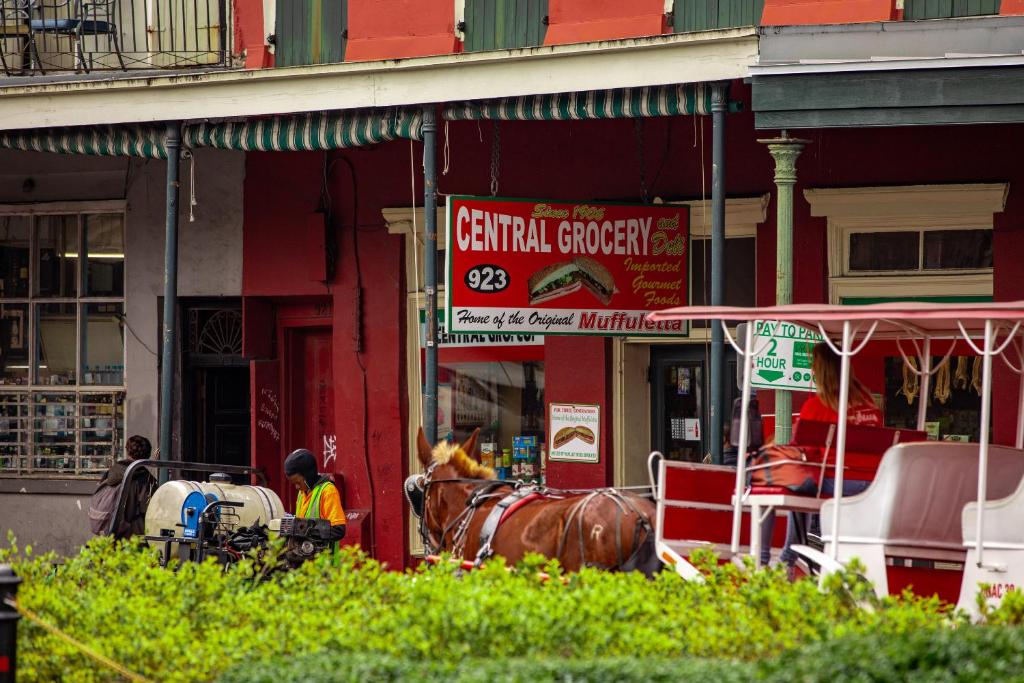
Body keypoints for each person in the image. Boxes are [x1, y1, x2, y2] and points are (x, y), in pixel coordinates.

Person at [760, 342, 881, 570]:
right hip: (871, 485)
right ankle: (786, 557)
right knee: (802, 484)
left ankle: (770, 560)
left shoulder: (817, 406)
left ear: (822, 370)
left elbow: (801, 450)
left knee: (768, 482)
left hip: (835, 481)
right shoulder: (870, 407)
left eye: (814, 366)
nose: (812, 371)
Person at [91, 435, 157, 539]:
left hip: (108, 529)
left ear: (127, 451)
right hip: (130, 536)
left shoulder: (113, 470)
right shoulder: (145, 479)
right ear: (147, 455)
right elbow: (150, 509)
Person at [284, 448, 347, 543]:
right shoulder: (302, 492)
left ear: (308, 476)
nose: (296, 487)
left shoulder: (327, 491)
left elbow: (338, 530)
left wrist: (307, 531)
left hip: (324, 557)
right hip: (305, 555)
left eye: (298, 482)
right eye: (294, 484)